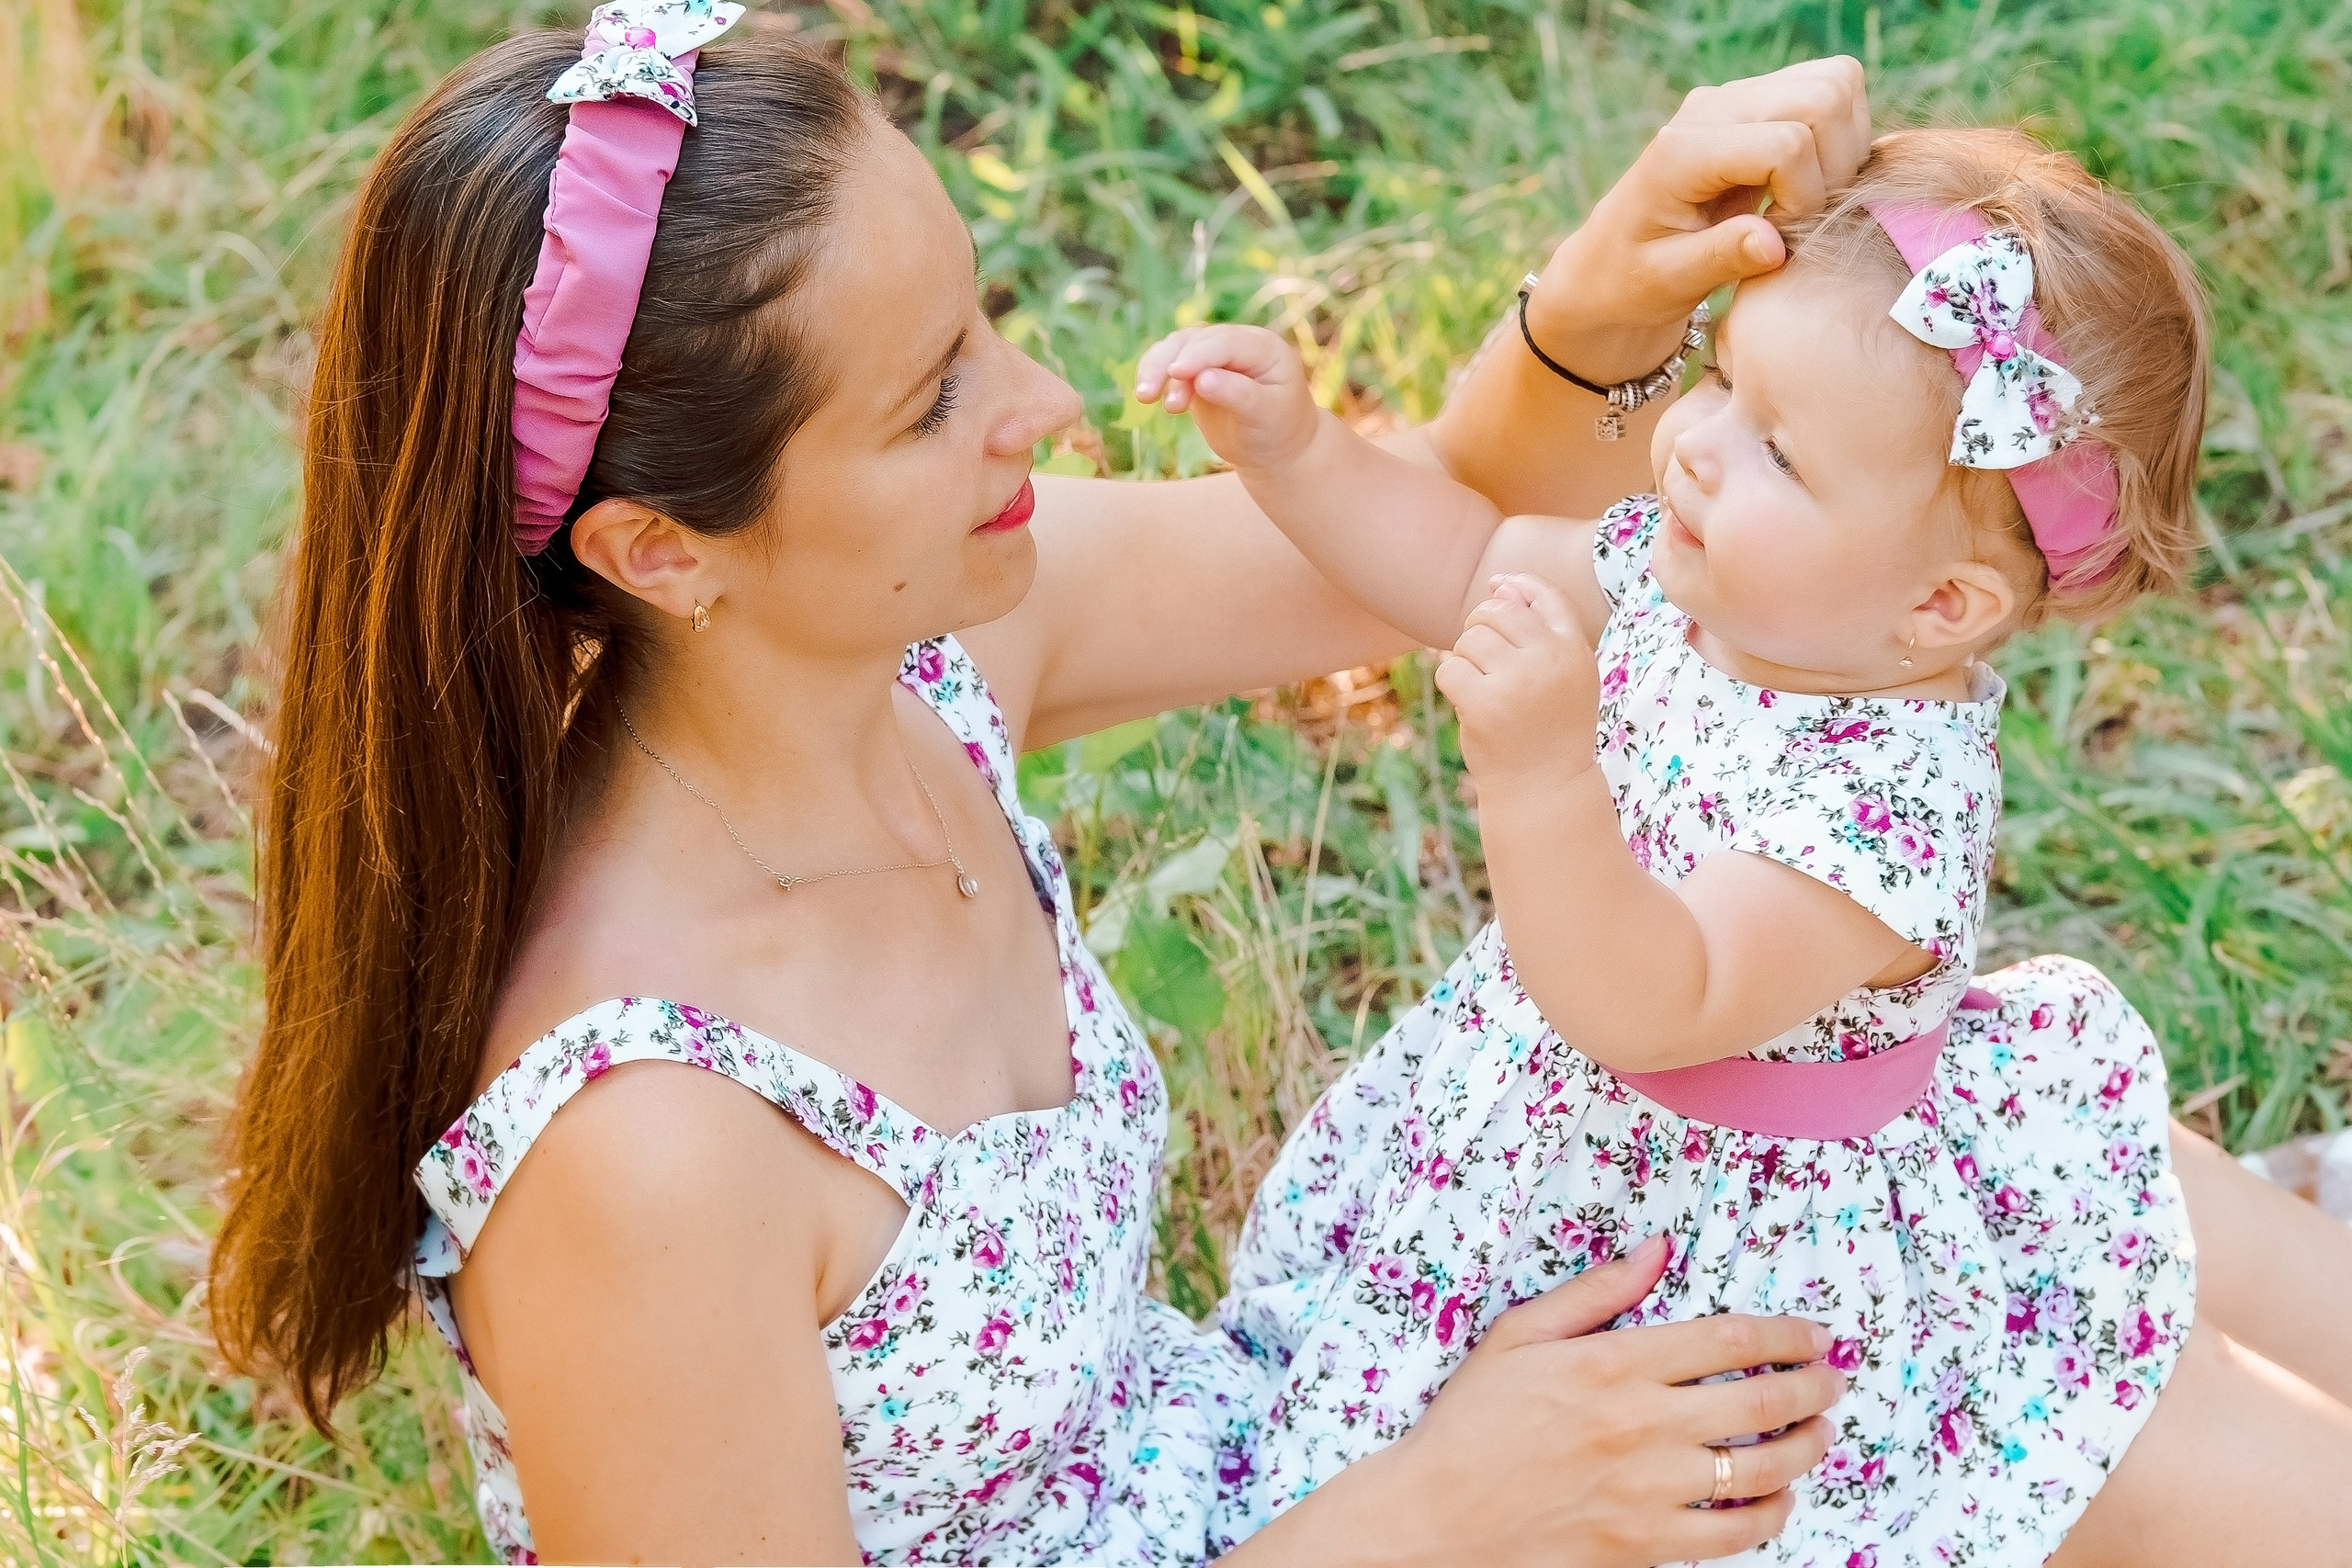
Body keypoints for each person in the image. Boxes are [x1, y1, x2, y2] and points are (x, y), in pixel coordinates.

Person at [205, 7, 2352, 1564]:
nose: (1039, 399)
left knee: (2071, 1161)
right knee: (2099, 1424)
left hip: (1292, 1435)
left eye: (989, 320)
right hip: (1354, 1508)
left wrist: (1594, 305)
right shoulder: (645, 1149)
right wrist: (1445, 1506)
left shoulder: (931, 649)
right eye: (939, 388)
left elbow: (1417, 533)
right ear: (660, 549)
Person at [1136, 126, 2352, 1564]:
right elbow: (1466, 562)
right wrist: (1298, 454)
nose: (1699, 446)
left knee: (2110, 1419)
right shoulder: (1708, 587)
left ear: (1942, 611)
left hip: (1756, 1236)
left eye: (1775, 443)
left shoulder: (1877, 804)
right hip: (1582, 1164)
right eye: (1721, 377)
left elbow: (1648, 997)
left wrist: (1538, 776)